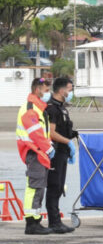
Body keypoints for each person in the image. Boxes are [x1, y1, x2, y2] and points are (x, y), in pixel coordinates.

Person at [16, 78, 56, 235]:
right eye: (46, 90)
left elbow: (41, 133)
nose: (48, 93)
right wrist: (49, 148)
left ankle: (35, 219)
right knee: (34, 187)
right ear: (37, 89)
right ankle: (31, 223)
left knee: (38, 187)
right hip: (34, 152)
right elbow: (36, 133)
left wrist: (47, 147)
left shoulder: (38, 108)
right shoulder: (30, 108)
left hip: (39, 152)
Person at [44, 77, 77, 234]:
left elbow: (65, 129)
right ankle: (54, 221)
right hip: (55, 152)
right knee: (54, 186)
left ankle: (57, 220)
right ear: (61, 90)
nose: (70, 93)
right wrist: (67, 141)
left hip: (63, 152)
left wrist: (73, 138)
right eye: (69, 90)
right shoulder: (51, 108)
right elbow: (51, 133)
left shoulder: (62, 108)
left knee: (59, 186)